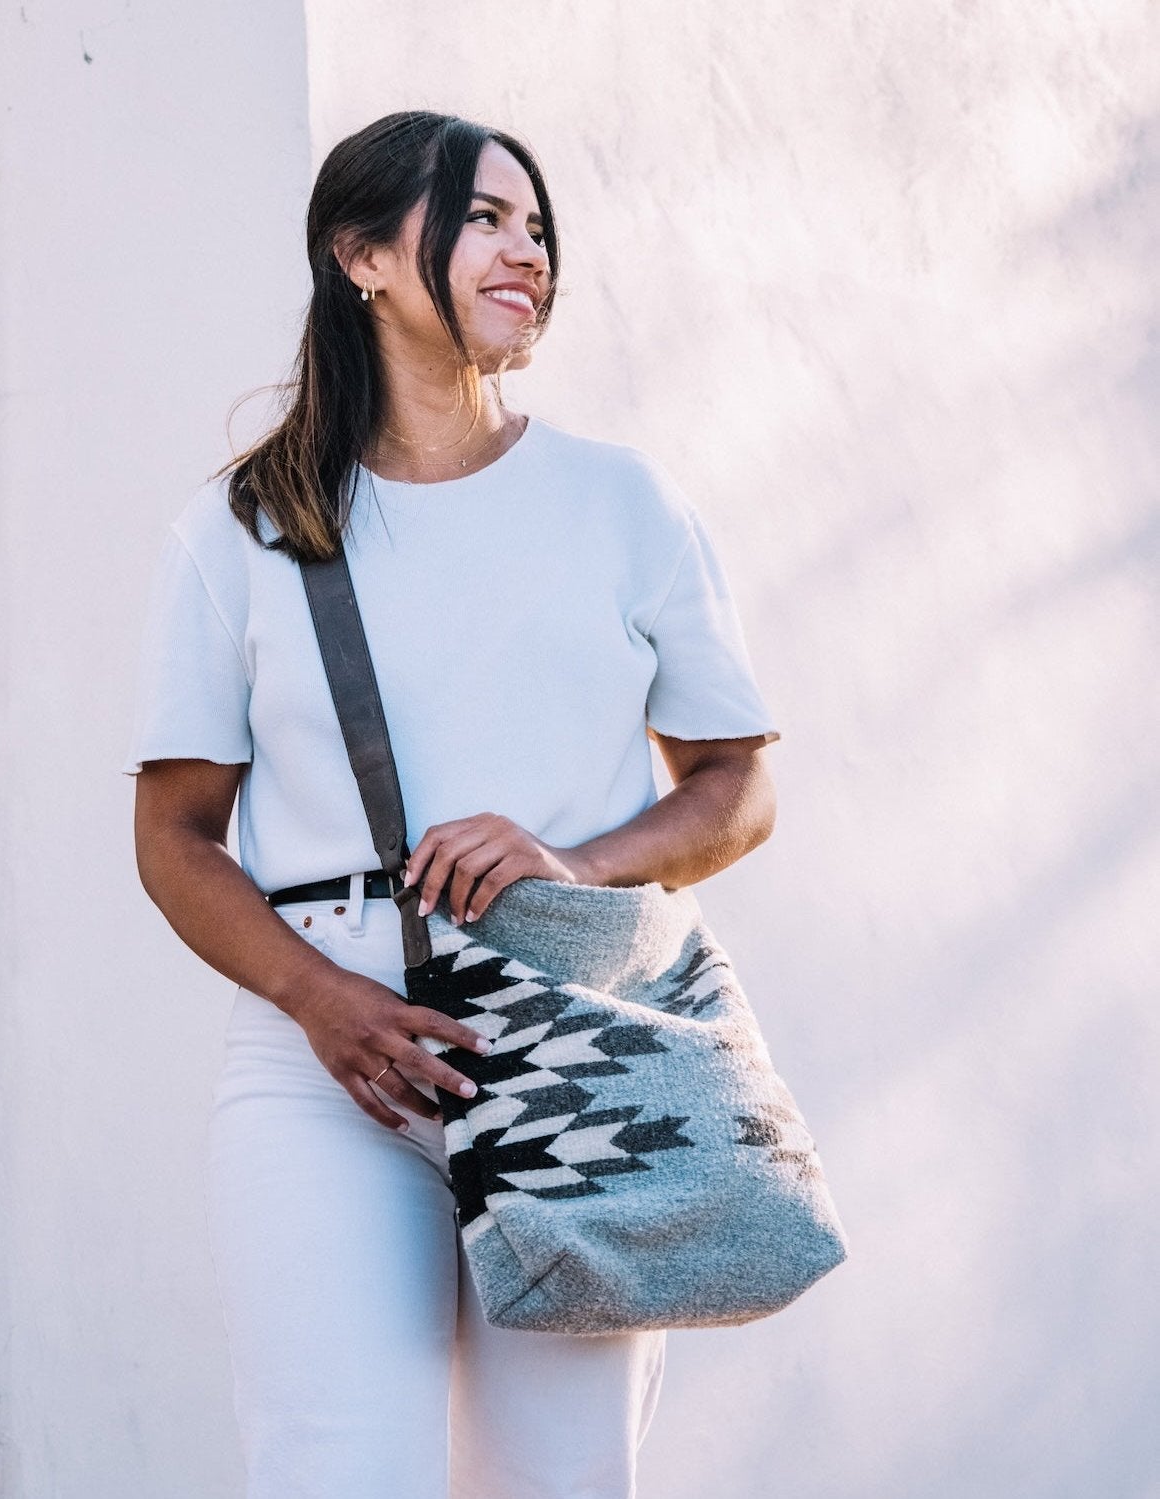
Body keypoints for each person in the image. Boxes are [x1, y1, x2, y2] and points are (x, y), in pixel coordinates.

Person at [125, 110, 782, 1499]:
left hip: (580, 1055)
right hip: (328, 1077)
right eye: (483, 218)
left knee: (559, 1479)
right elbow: (175, 833)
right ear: (360, 254)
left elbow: (736, 788)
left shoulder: (623, 503)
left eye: (536, 227)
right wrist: (316, 998)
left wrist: (576, 859)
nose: (524, 252)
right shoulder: (243, 531)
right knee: (335, 1468)